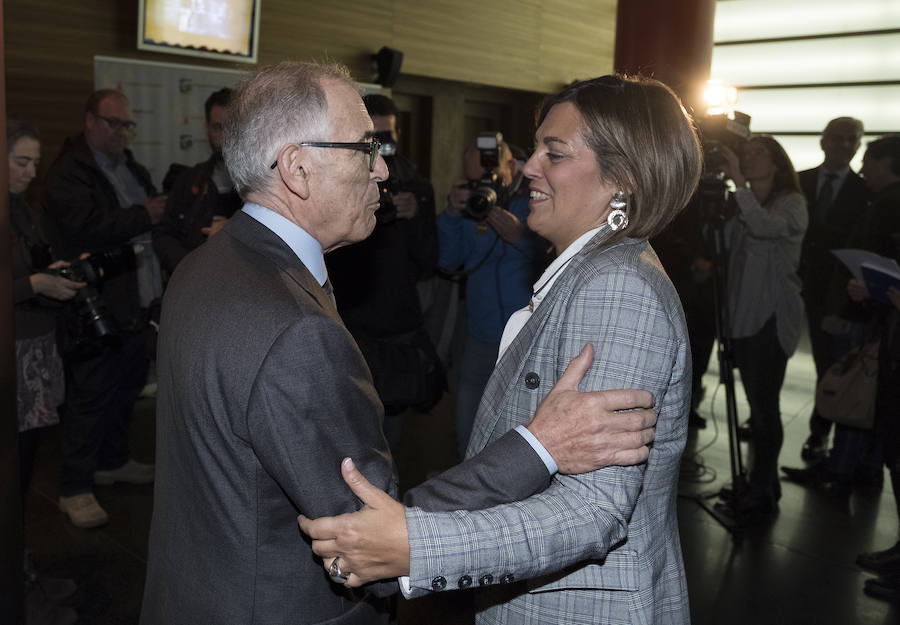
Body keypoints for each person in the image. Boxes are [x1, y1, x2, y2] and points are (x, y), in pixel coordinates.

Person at [139, 61, 660, 625]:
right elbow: (373, 536)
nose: (382, 171)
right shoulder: (296, 330)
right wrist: (538, 446)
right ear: (297, 169)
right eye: (367, 148)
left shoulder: (203, 264)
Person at [300, 74, 702, 624]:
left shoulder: (616, 288)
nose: (529, 166)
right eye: (535, 148)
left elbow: (593, 510)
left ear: (624, 176)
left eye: (553, 153)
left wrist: (418, 545)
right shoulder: (593, 271)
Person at [42, 89, 162, 528]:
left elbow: (152, 213)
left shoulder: (130, 165)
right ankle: (74, 486)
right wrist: (143, 214)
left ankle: (112, 462)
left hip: (133, 299)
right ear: (89, 121)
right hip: (93, 304)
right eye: (112, 122)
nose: (120, 131)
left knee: (126, 389)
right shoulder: (68, 173)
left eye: (126, 124)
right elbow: (85, 228)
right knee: (90, 397)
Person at [326, 94, 440, 451]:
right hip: (348, 324)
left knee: (386, 445)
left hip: (396, 328)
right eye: (372, 138)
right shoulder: (340, 180)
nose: (381, 149)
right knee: (341, 438)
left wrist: (414, 217)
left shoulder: (416, 185)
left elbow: (428, 261)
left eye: (388, 137)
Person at [9, 118, 81, 622]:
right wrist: (34, 284)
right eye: (21, 161)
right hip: (13, 356)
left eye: (35, 161)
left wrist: (44, 275)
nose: (32, 172)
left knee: (24, 474)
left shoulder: (17, 207)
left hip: (32, 351)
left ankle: (21, 571)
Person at [716, 135, 808, 521]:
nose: (748, 160)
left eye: (757, 154)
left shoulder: (793, 204)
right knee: (756, 406)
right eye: (744, 154)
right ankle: (760, 483)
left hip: (770, 319)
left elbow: (765, 227)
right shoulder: (742, 204)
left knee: (764, 409)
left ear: (777, 163)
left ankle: (762, 489)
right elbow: (725, 250)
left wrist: (738, 184)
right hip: (741, 316)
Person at [440, 138, 545, 458]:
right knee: (467, 431)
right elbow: (446, 261)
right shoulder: (472, 207)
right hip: (481, 337)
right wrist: (451, 215)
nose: (482, 187)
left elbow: (559, 262)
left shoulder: (537, 200)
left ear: (511, 169)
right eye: (475, 181)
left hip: (526, 340)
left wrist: (522, 238)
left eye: (489, 178)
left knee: (518, 437)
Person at [797, 117, 869, 462]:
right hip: (793, 284)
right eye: (836, 138)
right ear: (823, 141)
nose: (843, 146)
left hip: (835, 294)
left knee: (831, 365)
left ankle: (820, 434)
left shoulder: (866, 191)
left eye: (851, 140)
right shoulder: (800, 181)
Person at [152, 87, 242, 277]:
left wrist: (236, 230)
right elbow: (163, 235)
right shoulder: (189, 179)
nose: (225, 137)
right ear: (207, 129)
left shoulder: (262, 182)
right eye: (218, 127)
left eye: (231, 127)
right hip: (194, 286)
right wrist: (189, 269)